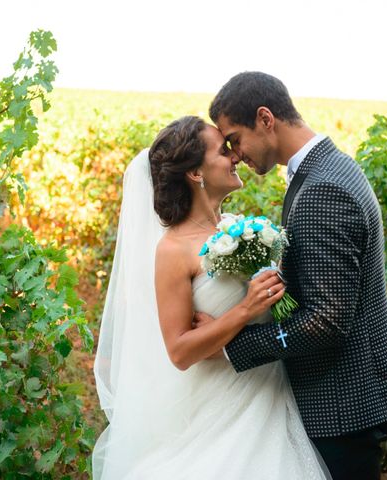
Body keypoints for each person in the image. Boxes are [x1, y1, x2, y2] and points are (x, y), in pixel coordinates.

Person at [93, 116, 329, 479]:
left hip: (269, 393)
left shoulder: (238, 228)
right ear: (195, 173)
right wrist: (245, 309)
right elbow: (180, 351)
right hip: (219, 407)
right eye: (223, 150)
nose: (235, 156)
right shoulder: (173, 249)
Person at [203, 71, 387, 480]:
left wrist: (230, 346)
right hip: (354, 397)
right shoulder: (332, 166)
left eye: (235, 138)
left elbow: (325, 321)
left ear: (265, 118)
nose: (235, 154)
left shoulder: (321, 189)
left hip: (343, 408)